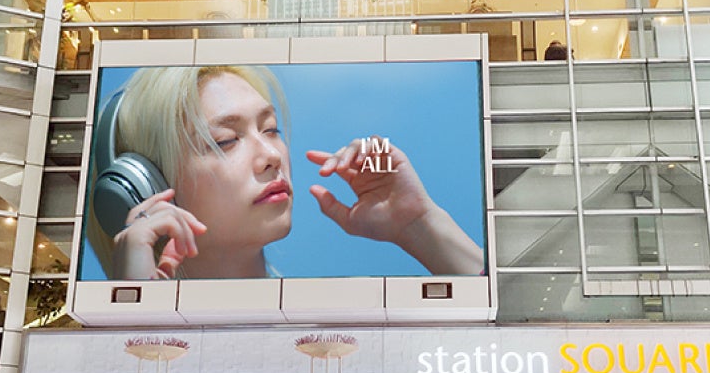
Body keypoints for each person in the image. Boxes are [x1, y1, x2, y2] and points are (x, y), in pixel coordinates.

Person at [87, 65, 483, 280]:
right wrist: (134, 308)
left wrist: (420, 226)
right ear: (146, 187)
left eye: (271, 129)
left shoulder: (327, 331)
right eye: (226, 140)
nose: (271, 156)